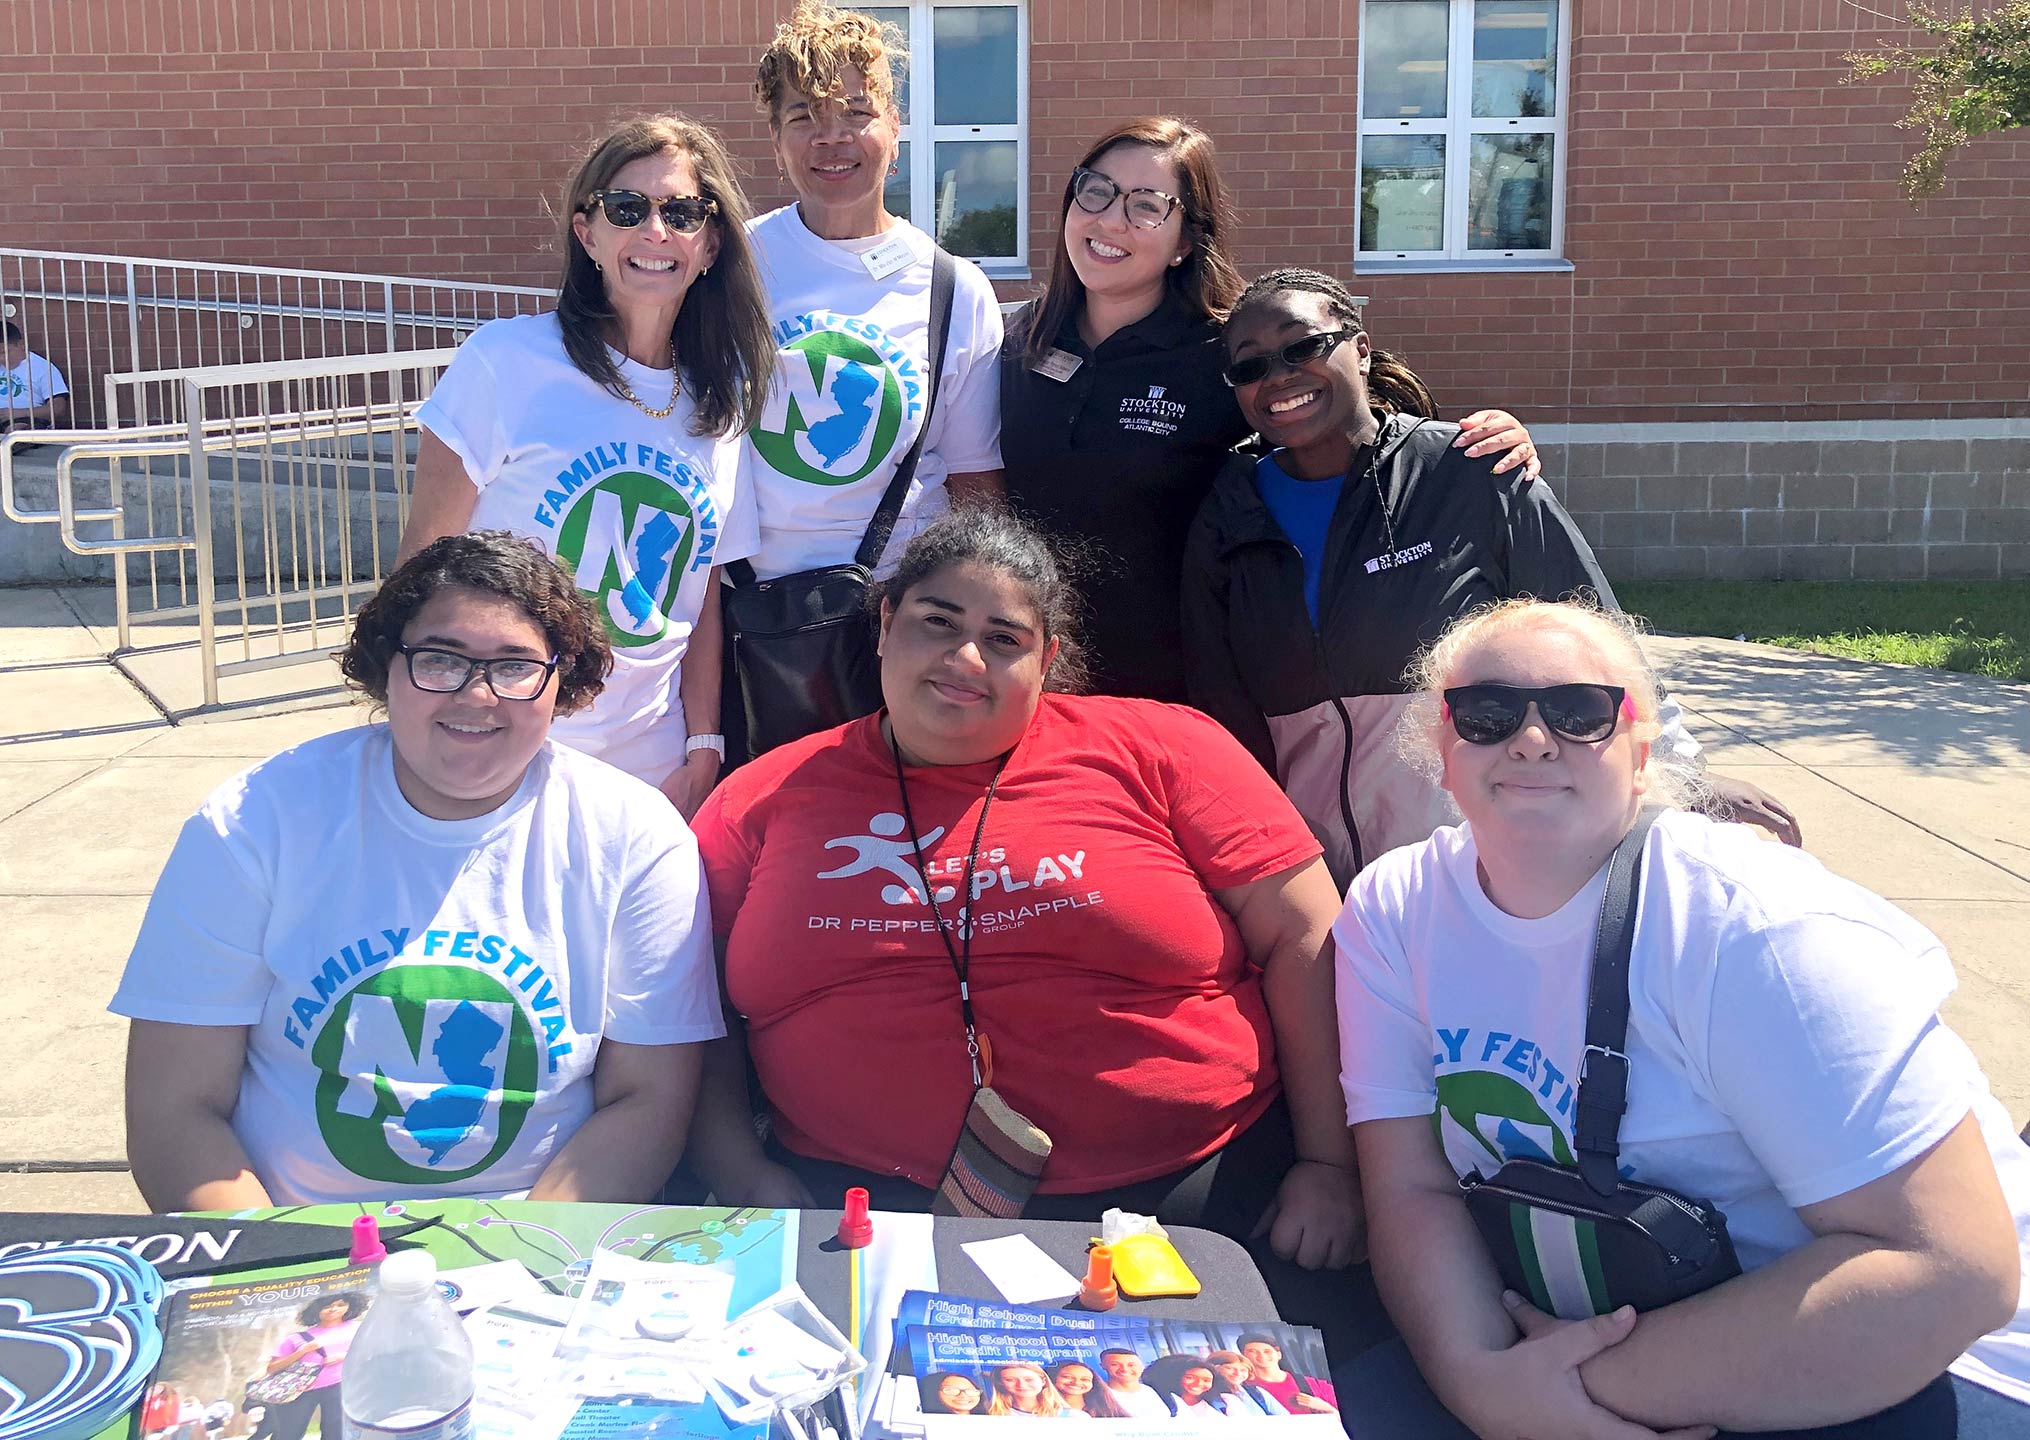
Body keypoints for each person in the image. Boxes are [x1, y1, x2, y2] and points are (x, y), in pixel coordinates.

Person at [1335, 597, 2030, 1439]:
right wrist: (1477, 1380)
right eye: (1485, 714)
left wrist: (1578, 1393)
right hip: (1575, 1332)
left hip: (1916, 1355)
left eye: (1578, 711)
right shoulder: (1391, 909)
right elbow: (1412, 1186)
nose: (1529, 738)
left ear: (1641, 750)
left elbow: (1950, 1269)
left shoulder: (1756, 929)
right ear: (1441, 751)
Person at [686, 505, 1360, 1301]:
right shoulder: (759, 797)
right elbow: (691, 1002)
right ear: (884, 624)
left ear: (1049, 659)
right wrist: (736, 1165)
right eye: (937, 622)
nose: (965, 657)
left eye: (1004, 639)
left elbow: (1308, 935)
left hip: (1191, 1201)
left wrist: (1329, 1161)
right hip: (858, 1213)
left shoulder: (1164, 746)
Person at [112, 532, 725, 1208]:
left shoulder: (637, 837)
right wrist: (283, 1276)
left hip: (536, 1252)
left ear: (563, 680)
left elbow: (646, 1100)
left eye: (516, 666)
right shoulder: (254, 822)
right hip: (290, 1244)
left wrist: (523, 1263)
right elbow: (176, 1111)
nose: (477, 695)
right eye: (441, 659)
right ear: (384, 666)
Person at [1183, 267, 1800, 889]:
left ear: (1361, 349)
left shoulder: (1472, 471)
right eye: (1250, 366)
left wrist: (1681, 778)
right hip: (1310, 875)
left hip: (1477, 863)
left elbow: (1596, 636)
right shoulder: (1228, 512)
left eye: (1303, 346)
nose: (1280, 375)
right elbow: (1217, 700)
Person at [1000, 118, 1538, 703]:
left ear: (1185, 240)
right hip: (1027, 680)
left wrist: (1476, 442)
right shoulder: (1011, 341)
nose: (1109, 220)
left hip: (1187, 688)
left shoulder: (1230, 355)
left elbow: (1355, 435)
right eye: (1096, 191)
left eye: (1146, 206)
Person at [398, 114, 772, 815]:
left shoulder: (721, 403)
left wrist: (704, 747)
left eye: (683, 212)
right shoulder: (506, 364)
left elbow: (701, 600)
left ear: (711, 243)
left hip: (654, 772)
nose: (655, 232)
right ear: (587, 233)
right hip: (508, 750)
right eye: (627, 209)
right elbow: (421, 572)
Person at [742, 2, 1004, 584]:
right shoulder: (729, 263)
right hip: (753, 614)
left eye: (857, 112)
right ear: (776, 139)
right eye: (804, 116)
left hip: (896, 614)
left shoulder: (955, 290)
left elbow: (974, 482)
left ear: (895, 128)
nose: (831, 138)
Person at [253, 1293, 365, 1440]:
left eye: (340, 1305)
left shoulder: (358, 1328)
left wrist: (342, 1357)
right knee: (288, 1433)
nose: (334, 1309)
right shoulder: (297, 1338)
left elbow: (373, 1352)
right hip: (300, 1390)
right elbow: (272, 1368)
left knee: (336, 1432)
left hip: (341, 1386)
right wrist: (301, 1352)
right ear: (316, 1309)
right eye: (327, 1306)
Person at [1236, 1333, 1337, 1416]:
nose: (1261, 1355)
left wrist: (1326, 1407)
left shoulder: (1316, 1385)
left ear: (1279, 1354)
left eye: (1267, 1351)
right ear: (1243, 1357)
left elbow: (1344, 1420)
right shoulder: (1239, 1389)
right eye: (1252, 1351)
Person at [1, 320, 70, 434]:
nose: (2, 358)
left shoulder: (42, 367)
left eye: (5, 352)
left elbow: (58, 408)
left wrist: (18, 413)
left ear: (21, 345)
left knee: (15, 432)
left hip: (25, 419)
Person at [1097, 1349, 1175, 1421]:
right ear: (1103, 1366)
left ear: (1141, 1367)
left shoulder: (1156, 1391)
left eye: (1131, 1365)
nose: (1124, 1369)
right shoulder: (1098, 1395)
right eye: (1115, 1364)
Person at [1146, 1359, 1230, 1423]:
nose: (1198, 1383)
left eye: (1206, 1380)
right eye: (1190, 1378)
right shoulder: (1162, 1402)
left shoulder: (1220, 1403)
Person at [1207, 1351, 1288, 1417]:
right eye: (1230, 1368)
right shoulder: (1208, 1395)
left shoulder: (1256, 1391)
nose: (1237, 1373)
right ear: (1215, 1369)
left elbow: (1283, 1417)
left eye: (1243, 1370)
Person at [985, 1363, 1071, 1418]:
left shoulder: (1072, 1416)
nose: (1021, 1385)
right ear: (1000, 1383)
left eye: (1029, 1380)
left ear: (1043, 1381)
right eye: (1010, 1380)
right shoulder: (990, 1415)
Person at [1051, 1361, 1127, 1418]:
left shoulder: (1107, 1410)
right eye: (1067, 1377)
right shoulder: (1042, 1407)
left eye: (1085, 1379)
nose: (1077, 1382)